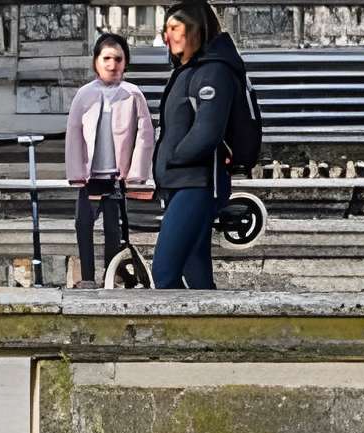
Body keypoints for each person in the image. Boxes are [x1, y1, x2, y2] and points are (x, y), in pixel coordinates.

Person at [151, 0, 247, 292]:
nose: (167, 36)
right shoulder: (190, 70)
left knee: (164, 271)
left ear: (196, 29)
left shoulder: (213, 71)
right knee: (197, 275)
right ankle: (211, 334)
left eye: (174, 28)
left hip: (198, 183)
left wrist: (172, 161)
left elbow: (207, 133)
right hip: (183, 182)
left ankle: (174, 334)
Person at [64, 30, 153, 287]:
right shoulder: (84, 94)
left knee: (114, 229)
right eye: (106, 58)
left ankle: (111, 276)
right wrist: (75, 171)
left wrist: (137, 172)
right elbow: (74, 135)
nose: (112, 65)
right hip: (89, 174)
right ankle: (88, 277)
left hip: (117, 175)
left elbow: (145, 136)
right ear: (96, 61)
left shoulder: (133, 94)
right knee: (84, 225)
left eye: (118, 59)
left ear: (125, 62)